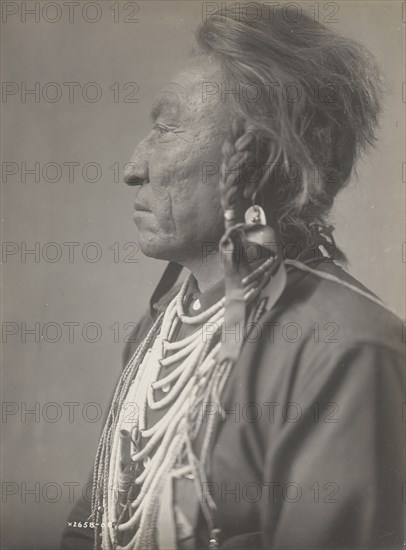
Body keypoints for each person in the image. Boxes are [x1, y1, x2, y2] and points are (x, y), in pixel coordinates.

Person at [61, 4, 405, 549]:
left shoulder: (346, 348)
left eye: (167, 128)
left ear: (267, 156)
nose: (132, 168)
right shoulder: (163, 330)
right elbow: (93, 525)